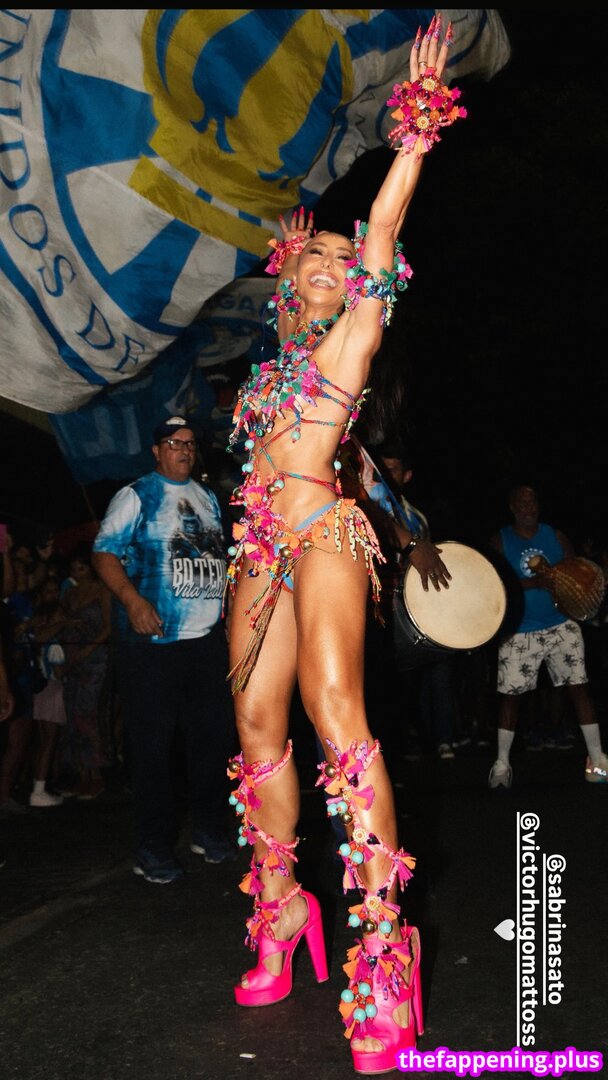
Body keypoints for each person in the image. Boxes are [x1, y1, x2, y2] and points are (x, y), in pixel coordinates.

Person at [224, 19, 464, 1073]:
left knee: (336, 716)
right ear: (287, 278)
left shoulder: (353, 340)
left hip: (322, 528)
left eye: (340, 258)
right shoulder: (268, 361)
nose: (329, 263)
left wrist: (410, 139)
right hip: (256, 541)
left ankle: (380, 956)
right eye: (311, 255)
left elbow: (381, 232)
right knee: (255, 726)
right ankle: (281, 910)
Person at [92, 416, 236, 884]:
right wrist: (132, 601)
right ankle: (152, 847)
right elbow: (104, 552)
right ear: (157, 451)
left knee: (213, 741)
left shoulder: (208, 497)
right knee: (153, 748)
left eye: (190, 444)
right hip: (154, 642)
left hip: (206, 642)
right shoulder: (137, 495)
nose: (184, 450)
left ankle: (209, 830)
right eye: (174, 443)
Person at [488, 484, 608, 789]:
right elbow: (492, 582)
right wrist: (530, 584)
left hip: (560, 624)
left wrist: (561, 581)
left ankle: (597, 759)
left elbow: (577, 574)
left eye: (533, 502)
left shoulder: (555, 536)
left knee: (579, 687)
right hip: (520, 628)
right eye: (522, 503)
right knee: (511, 696)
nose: (529, 508)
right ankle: (501, 764)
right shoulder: (501, 540)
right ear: (512, 507)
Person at [57, 546, 111, 801]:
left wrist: (88, 650)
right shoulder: (70, 593)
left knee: (86, 714)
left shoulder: (102, 590)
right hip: (72, 658)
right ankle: (80, 774)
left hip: (95, 659)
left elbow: (108, 628)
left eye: (81, 568)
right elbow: (59, 621)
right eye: (73, 569)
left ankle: (96, 775)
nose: (77, 573)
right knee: (71, 714)